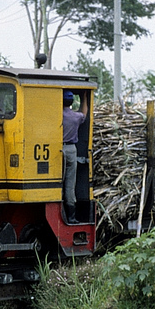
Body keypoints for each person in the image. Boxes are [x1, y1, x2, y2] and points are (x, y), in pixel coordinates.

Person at [62, 89, 88, 223]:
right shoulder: (76, 117)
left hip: (57, 148)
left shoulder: (57, 115)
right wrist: (84, 97)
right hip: (71, 149)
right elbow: (84, 112)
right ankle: (71, 216)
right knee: (70, 184)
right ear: (71, 101)